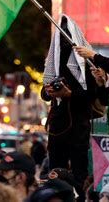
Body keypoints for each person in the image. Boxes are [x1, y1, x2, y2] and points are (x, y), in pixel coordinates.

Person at [41, 14, 97, 202]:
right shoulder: (53, 61)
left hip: (79, 126)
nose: (64, 38)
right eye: (61, 33)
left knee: (80, 171)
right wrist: (50, 91)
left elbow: (94, 94)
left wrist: (70, 94)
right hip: (57, 125)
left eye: (67, 34)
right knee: (55, 172)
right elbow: (44, 92)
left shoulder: (87, 63)